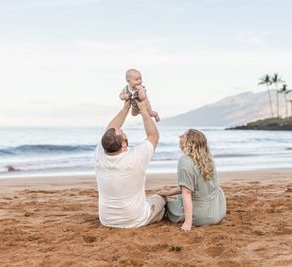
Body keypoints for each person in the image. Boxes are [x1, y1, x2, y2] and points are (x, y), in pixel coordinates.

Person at [93, 97, 165, 228]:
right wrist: (143, 109)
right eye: (122, 132)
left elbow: (111, 129)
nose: (120, 129)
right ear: (124, 145)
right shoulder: (134, 158)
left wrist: (125, 108)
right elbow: (153, 136)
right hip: (136, 220)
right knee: (161, 199)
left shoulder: (100, 155)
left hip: (106, 220)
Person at [158, 129, 226, 231]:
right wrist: (170, 192)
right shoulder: (207, 159)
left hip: (202, 217)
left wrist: (188, 222)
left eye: (183, 136)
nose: (179, 137)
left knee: (166, 204)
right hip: (219, 211)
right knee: (181, 196)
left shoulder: (185, 161)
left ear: (189, 142)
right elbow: (193, 185)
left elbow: (187, 192)